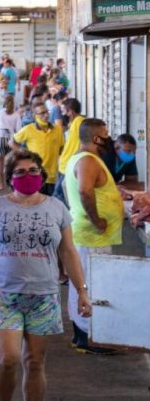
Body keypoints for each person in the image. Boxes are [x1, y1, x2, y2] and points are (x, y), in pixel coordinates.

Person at [0, 149, 93, 401]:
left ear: (41, 174)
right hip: (5, 295)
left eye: (33, 170)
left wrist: (82, 291)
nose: (27, 175)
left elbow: (68, 252)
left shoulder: (57, 208)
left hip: (44, 295)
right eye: (20, 172)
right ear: (10, 178)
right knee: (8, 359)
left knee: (34, 361)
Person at [64, 119, 123, 355]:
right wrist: (97, 220)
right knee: (90, 285)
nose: (108, 138)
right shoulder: (87, 160)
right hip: (92, 236)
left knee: (81, 283)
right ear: (96, 138)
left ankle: (81, 335)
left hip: (87, 235)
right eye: (105, 134)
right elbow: (84, 191)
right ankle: (90, 336)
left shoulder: (80, 159)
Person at [10, 102, 64, 196]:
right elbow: (11, 142)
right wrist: (24, 153)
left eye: (47, 112)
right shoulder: (28, 130)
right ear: (35, 116)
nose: (46, 115)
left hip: (52, 176)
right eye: (42, 113)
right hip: (35, 174)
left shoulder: (57, 130)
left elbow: (61, 150)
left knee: (51, 205)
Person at [53, 98, 84, 205]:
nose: (62, 114)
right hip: (65, 164)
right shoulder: (73, 123)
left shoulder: (79, 121)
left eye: (63, 111)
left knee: (58, 198)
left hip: (68, 165)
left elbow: (82, 143)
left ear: (70, 111)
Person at [0, 95, 22, 190]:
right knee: (10, 163)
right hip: (10, 140)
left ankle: (1, 184)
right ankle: (11, 182)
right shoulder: (16, 115)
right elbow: (18, 130)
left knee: (0, 162)